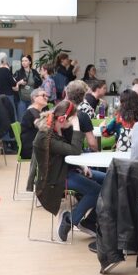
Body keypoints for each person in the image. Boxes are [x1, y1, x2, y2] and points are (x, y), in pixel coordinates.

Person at [32, 101, 105, 240]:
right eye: (72, 120)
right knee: (96, 190)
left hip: (68, 170)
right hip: (55, 178)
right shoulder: (45, 136)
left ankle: (89, 221)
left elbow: (68, 152)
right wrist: (77, 126)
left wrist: (82, 166)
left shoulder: (59, 128)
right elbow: (75, 150)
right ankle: (70, 219)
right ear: (62, 119)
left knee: (109, 179)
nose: (73, 123)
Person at [65, 80, 99, 152]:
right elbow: (92, 144)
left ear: (67, 94)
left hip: (55, 155)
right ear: (83, 96)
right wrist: (98, 152)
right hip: (75, 154)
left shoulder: (57, 111)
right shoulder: (82, 116)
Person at [20, 88, 49, 163]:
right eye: (43, 95)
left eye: (47, 96)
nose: (46, 97)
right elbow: (43, 128)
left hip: (34, 146)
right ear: (34, 98)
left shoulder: (35, 111)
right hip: (31, 150)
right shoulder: (33, 112)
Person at [0, 52, 20, 116]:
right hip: (9, 95)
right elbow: (13, 84)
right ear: (3, 60)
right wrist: (17, 82)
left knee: (3, 114)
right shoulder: (6, 70)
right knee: (12, 114)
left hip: (0, 95)